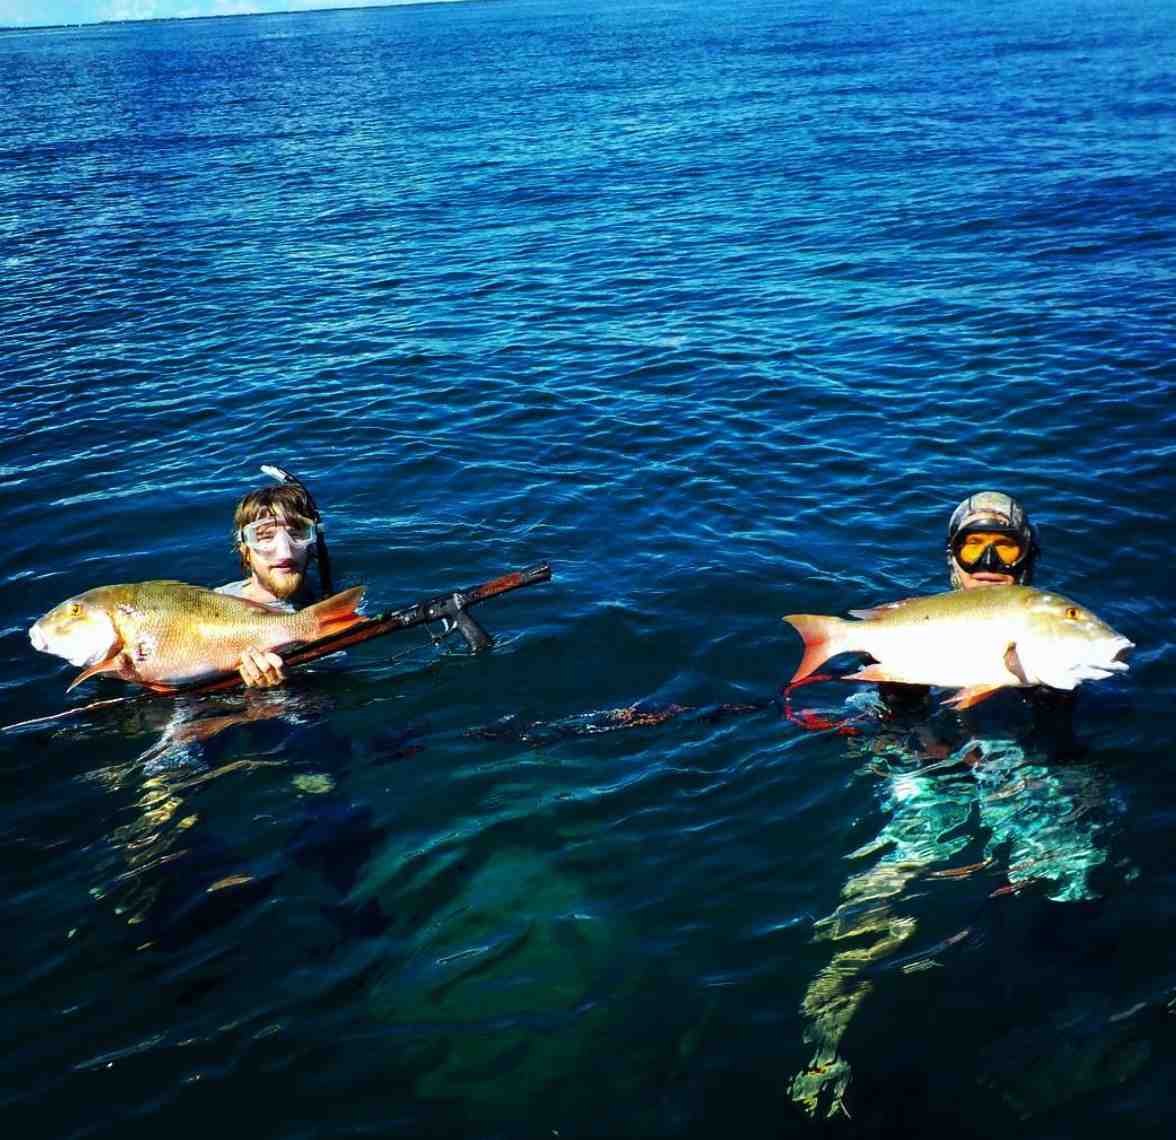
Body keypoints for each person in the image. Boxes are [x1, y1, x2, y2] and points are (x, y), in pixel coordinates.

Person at [878, 490, 1048, 719]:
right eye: (973, 546)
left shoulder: (1052, 621)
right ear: (953, 558)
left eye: (1006, 547)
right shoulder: (909, 621)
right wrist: (900, 701)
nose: (988, 562)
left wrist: (1053, 708)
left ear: (1027, 557)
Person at [216, 475, 331, 689]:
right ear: (245, 549)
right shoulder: (213, 607)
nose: (285, 552)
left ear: (312, 543)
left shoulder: (332, 601)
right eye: (265, 537)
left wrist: (290, 687)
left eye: (297, 534)